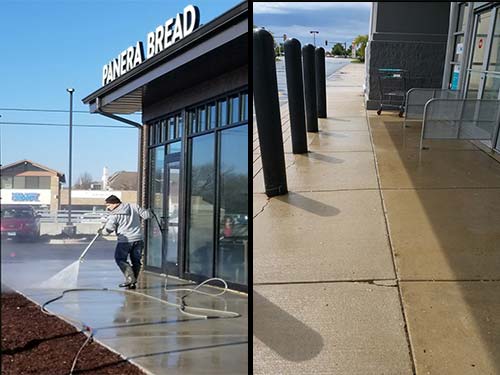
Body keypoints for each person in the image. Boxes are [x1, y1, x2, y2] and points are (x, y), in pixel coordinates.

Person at [99, 195, 151, 289]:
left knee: (120, 259)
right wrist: (149, 210)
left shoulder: (114, 215)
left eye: (109, 205)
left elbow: (108, 230)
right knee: (136, 261)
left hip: (125, 241)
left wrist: (101, 232)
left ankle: (130, 279)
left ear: (115, 203)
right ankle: (132, 282)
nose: (107, 207)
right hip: (138, 239)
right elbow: (147, 216)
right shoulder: (134, 206)